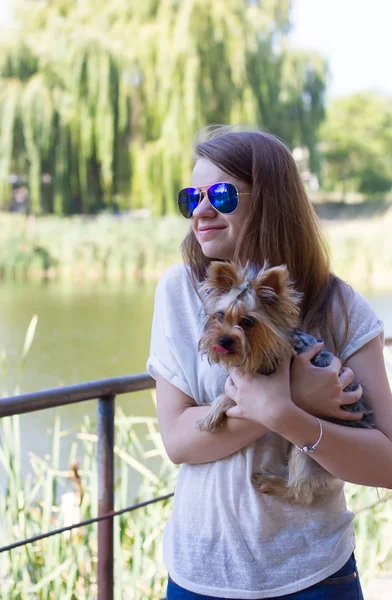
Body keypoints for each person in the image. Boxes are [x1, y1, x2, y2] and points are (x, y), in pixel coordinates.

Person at [147, 126, 392, 599]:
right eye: (191, 196)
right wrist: (290, 399)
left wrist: (286, 416)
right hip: (200, 572)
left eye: (220, 194)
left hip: (314, 574)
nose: (200, 210)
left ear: (271, 200)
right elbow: (179, 439)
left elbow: (388, 463)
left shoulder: (340, 306)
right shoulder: (178, 291)